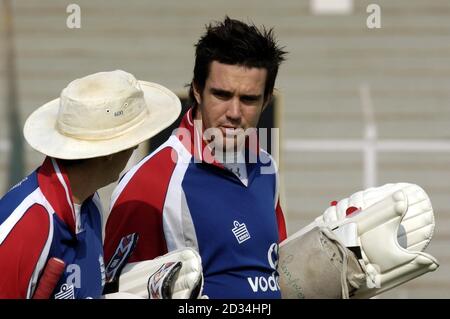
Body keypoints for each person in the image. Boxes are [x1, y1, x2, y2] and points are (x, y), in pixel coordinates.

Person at [104, 17, 288, 298]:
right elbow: (117, 291)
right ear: (197, 90)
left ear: (266, 101)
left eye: (249, 99)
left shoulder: (267, 167)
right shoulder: (149, 184)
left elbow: (274, 271)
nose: (235, 112)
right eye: (222, 94)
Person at [0, 70, 181, 299]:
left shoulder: (89, 202)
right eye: (134, 140)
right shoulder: (29, 225)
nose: (136, 147)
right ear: (110, 151)